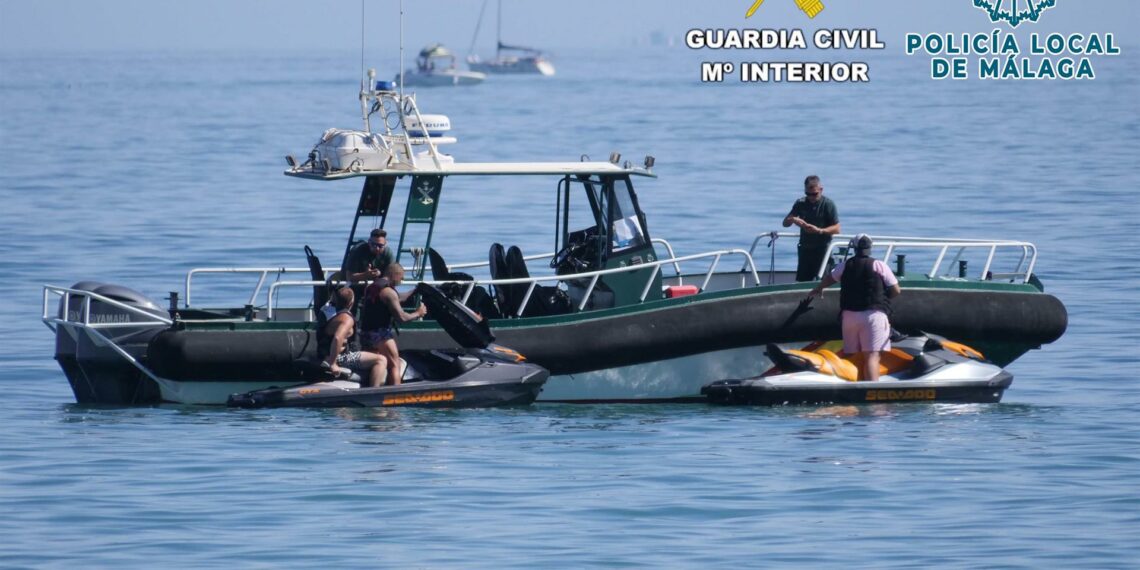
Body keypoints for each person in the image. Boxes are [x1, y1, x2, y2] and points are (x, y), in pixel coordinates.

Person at [806, 233, 901, 381]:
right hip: (873, 315)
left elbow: (831, 278)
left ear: (854, 248)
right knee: (872, 356)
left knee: (852, 354)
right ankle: (872, 391)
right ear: (870, 248)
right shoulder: (879, 265)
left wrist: (819, 288)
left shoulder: (845, 265)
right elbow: (896, 290)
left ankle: (848, 384)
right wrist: (880, 299)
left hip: (849, 316)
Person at [359, 263, 427, 386]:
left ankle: (371, 390)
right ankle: (395, 394)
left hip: (365, 333)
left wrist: (414, 291)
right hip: (380, 334)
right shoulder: (388, 292)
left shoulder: (373, 287)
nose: (402, 280)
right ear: (394, 275)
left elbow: (398, 298)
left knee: (377, 363)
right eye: (401, 277)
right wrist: (418, 313)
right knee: (394, 364)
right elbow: (402, 318)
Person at [318, 287, 388, 388]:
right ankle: (373, 392)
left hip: (334, 354)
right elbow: (338, 338)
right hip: (341, 358)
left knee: (374, 354)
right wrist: (333, 363)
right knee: (381, 360)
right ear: (351, 302)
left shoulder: (336, 316)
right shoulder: (347, 319)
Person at [783, 175, 840, 281]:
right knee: (802, 282)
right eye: (808, 194)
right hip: (805, 250)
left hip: (822, 250)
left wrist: (820, 230)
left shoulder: (828, 204)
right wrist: (794, 220)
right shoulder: (801, 203)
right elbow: (785, 223)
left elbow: (837, 228)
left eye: (814, 194)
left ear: (821, 190)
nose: (811, 197)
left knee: (823, 281)